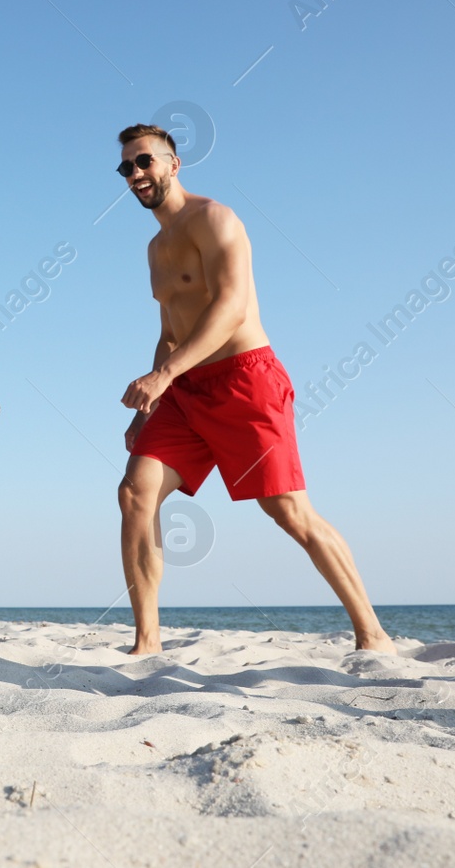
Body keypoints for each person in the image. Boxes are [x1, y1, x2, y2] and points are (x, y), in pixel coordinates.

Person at [113, 124, 395, 656]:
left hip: (245, 379)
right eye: (126, 168)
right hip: (184, 389)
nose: (135, 175)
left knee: (289, 511)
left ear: (174, 164)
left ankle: (373, 634)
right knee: (134, 493)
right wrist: (149, 405)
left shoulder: (214, 219)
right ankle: (147, 643)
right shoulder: (155, 248)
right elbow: (169, 331)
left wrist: (164, 375)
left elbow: (230, 308)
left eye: (144, 161)